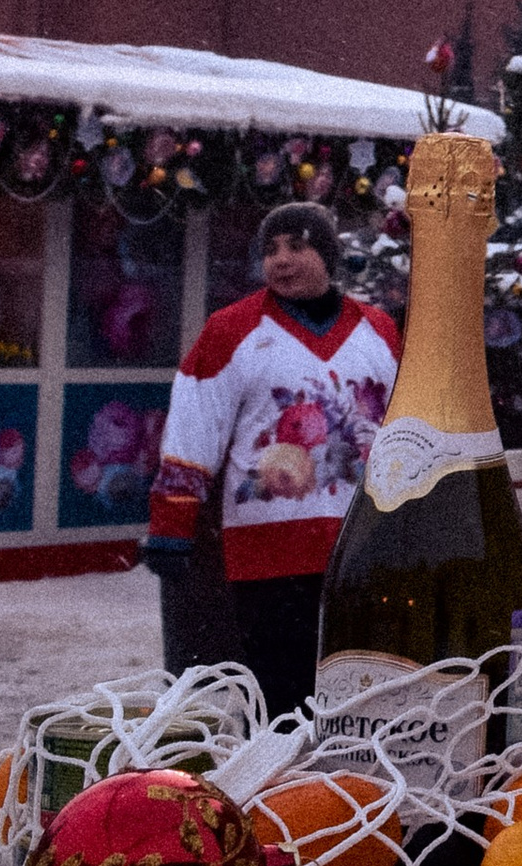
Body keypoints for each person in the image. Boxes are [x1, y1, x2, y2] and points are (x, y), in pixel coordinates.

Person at [142, 202, 400, 718]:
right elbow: (194, 427)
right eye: (270, 250)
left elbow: (405, 430)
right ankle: (275, 792)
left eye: (297, 246)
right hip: (267, 554)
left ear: (328, 254)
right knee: (281, 700)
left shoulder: (380, 332)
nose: (281, 260)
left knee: (359, 695)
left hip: (361, 551)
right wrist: (172, 522)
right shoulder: (230, 330)